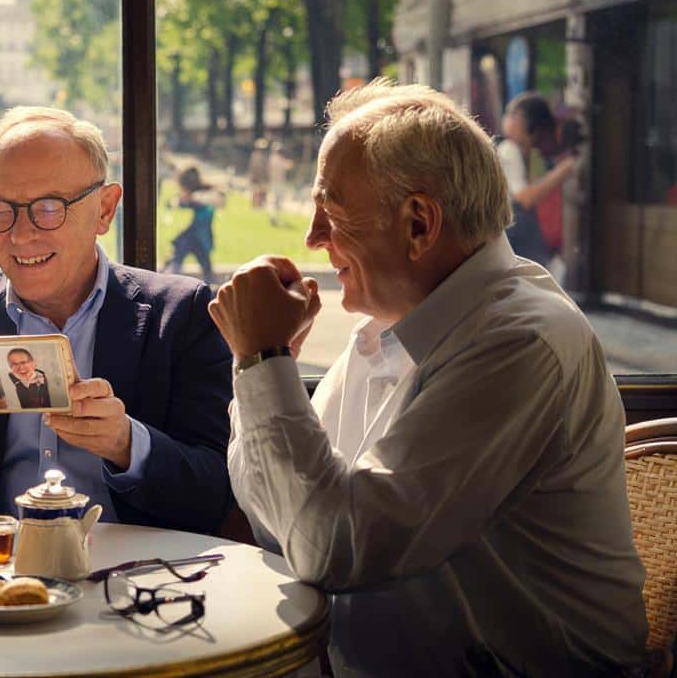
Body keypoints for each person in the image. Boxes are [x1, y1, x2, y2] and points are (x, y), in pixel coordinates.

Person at [209, 80, 647, 675]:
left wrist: (263, 360)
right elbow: (277, 516)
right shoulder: (393, 328)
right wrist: (263, 362)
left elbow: (332, 549)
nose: (312, 238)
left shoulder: (520, 340)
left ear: (418, 224)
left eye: (330, 212)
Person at [0, 106, 233, 533]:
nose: (20, 235)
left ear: (105, 210)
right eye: (0, 209)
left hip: (132, 579)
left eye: (48, 208)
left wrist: (127, 444)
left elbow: (215, 496)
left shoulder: (179, 315)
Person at [498, 91, 574, 268]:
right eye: (510, 114)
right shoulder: (509, 150)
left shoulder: (527, 155)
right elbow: (524, 198)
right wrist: (567, 168)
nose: (509, 119)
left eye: (514, 114)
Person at [160, 165, 225, 285]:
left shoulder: (203, 197)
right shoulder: (186, 199)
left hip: (198, 238)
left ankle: (166, 280)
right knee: (175, 260)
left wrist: (190, 200)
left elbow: (218, 200)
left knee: (204, 266)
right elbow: (171, 204)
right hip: (191, 238)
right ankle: (165, 279)